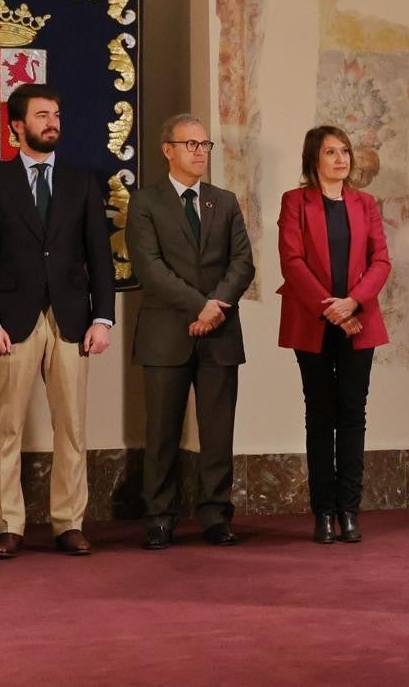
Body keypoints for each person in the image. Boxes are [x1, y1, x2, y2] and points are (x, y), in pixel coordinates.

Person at [0, 84, 116, 559]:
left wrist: (104, 319)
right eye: (42, 115)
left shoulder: (81, 182)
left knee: (71, 427)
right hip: (12, 322)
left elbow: (101, 258)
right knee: (5, 427)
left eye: (56, 113)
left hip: (72, 321)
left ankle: (68, 523)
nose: (53, 122)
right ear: (16, 126)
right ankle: (8, 525)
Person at [127, 114, 254, 549]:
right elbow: (150, 268)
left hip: (219, 333)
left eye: (205, 145)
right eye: (191, 144)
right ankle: (160, 517)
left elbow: (243, 262)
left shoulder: (225, 200)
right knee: (162, 433)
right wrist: (200, 305)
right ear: (168, 150)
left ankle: (216, 515)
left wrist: (215, 306)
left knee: (218, 433)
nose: (200, 152)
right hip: (167, 333)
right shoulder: (145, 202)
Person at [276, 125, 391, 544]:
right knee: (320, 416)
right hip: (314, 322)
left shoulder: (365, 204)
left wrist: (353, 303)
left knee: (353, 416)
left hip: (360, 322)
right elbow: (292, 262)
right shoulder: (295, 202)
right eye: (330, 152)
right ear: (314, 159)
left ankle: (350, 511)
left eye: (344, 151)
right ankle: (323, 513)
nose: (341, 159)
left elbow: (381, 260)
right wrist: (333, 309)